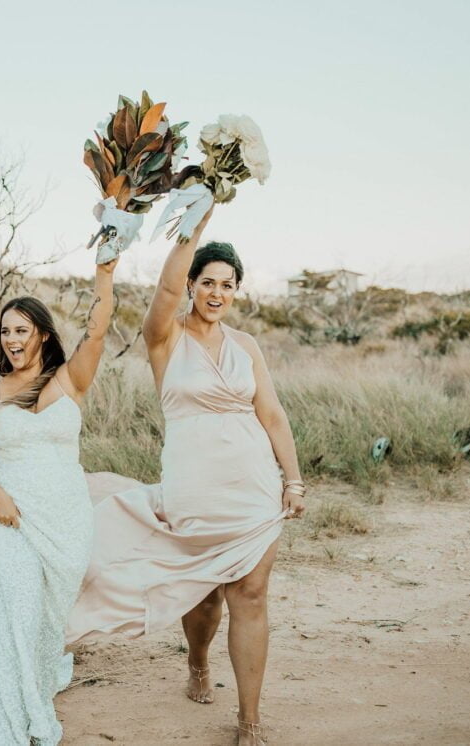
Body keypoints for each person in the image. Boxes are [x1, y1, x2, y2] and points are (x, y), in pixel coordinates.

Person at [66, 212, 307, 746]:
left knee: (250, 595)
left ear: (237, 291)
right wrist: (196, 222)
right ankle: (198, 661)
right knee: (203, 595)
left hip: (253, 488)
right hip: (194, 488)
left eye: (228, 284)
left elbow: (272, 414)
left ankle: (249, 721)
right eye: (208, 282)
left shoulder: (247, 346)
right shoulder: (165, 337)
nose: (217, 293)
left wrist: (292, 481)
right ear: (192, 285)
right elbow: (166, 289)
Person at [0, 257, 119, 745]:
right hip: (10, 517)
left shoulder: (70, 380)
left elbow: (97, 331)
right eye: (5, 332)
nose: (11, 339)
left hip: (64, 521)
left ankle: (31, 681)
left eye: (21, 330)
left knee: (42, 616)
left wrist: (105, 272)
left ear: (42, 334)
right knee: (12, 604)